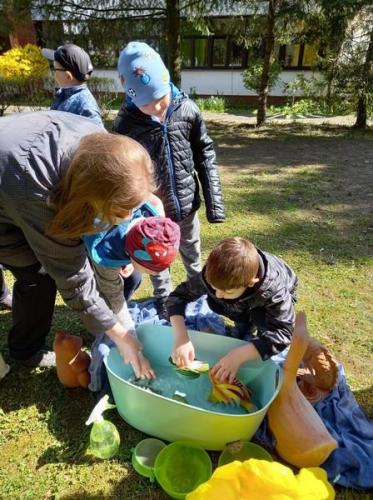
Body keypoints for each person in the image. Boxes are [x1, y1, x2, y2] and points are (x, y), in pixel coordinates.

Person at [0, 110, 155, 379]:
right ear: (91, 194)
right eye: (121, 210)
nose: (127, 217)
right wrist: (120, 335)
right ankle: (25, 350)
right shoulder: (39, 191)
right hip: (15, 183)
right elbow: (74, 280)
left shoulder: (105, 152)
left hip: (20, 168)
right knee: (37, 274)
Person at [113, 41, 225, 319]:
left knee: (192, 252)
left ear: (167, 81)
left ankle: (199, 292)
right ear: (132, 97)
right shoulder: (126, 125)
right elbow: (122, 174)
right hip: (154, 213)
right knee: (158, 259)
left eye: (161, 101)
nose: (157, 109)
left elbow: (205, 153)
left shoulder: (188, 110)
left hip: (187, 206)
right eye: (147, 105)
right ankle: (164, 298)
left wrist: (215, 203)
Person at [167, 237, 298, 382]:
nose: (218, 294)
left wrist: (238, 356)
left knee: (263, 324)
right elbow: (177, 296)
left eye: (227, 292)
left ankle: (258, 337)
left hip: (271, 297)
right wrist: (181, 337)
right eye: (214, 288)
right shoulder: (214, 275)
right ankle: (243, 327)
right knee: (230, 310)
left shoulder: (274, 289)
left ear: (250, 283)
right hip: (243, 300)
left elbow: (283, 332)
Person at [42, 43, 103, 127]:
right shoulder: (64, 94)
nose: (53, 73)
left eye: (54, 69)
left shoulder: (85, 107)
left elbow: (98, 136)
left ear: (68, 76)